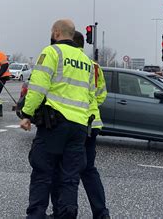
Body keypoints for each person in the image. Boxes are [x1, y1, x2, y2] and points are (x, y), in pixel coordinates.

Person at [20, 19, 95, 219]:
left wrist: (27, 114)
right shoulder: (86, 61)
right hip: (79, 126)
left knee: (42, 173)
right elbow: (91, 95)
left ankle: (36, 215)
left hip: (55, 123)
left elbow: (37, 87)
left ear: (56, 32)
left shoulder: (52, 52)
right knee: (70, 178)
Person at [50, 31, 110, 219]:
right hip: (92, 123)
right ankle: (101, 214)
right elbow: (101, 94)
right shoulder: (94, 66)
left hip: (72, 122)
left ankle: (62, 211)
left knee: (61, 170)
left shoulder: (67, 61)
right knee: (89, 170)